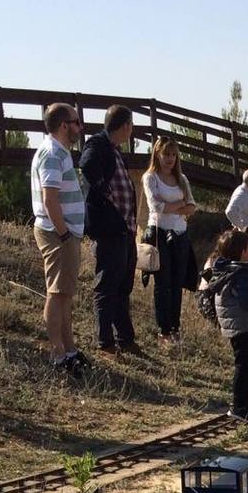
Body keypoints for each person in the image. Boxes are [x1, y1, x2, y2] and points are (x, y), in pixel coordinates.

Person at [30, 102, 88, 374]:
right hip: (58, 233)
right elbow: (49, 198)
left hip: (64, 233)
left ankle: (69, 348)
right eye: (76, 122)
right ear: (64, 125)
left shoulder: (59, 152)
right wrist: (64, 233)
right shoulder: (53, 152)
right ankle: (57, 353)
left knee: (64, 294)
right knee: (56, 293)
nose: (80, 127)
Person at [79, 105, 138, 355]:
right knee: (107, 286)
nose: (132, 130)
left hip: (124, 229)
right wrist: (104, 191)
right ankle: (105, 342)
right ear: (125, 126)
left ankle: (125, 338)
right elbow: (87, 165)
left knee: (123, 286)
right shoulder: (98, 145)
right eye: (131, 125)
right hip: (110, 229)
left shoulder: (113, 149)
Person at [141, 136, 199, 345]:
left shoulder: (182, 179)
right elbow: (155, 207)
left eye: (174, 154)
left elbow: (192, 206)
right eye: (166, 154)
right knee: (163, 283)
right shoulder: (151, 177)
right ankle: (163, 330)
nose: (170, 159)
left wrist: (173, 205)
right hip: (159, 233)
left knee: (177, 284)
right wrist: (179, 205)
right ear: (157, 154)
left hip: (180, 234)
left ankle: (175, 328)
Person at [205, 230, 248, 419]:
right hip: (243, 325)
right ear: (242, 252)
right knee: (244, 367)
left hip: (238, 325)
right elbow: (247, 302)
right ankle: (240, 407)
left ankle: (246, 402)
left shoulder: (226, 269)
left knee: (247, 366)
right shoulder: (240, 273)